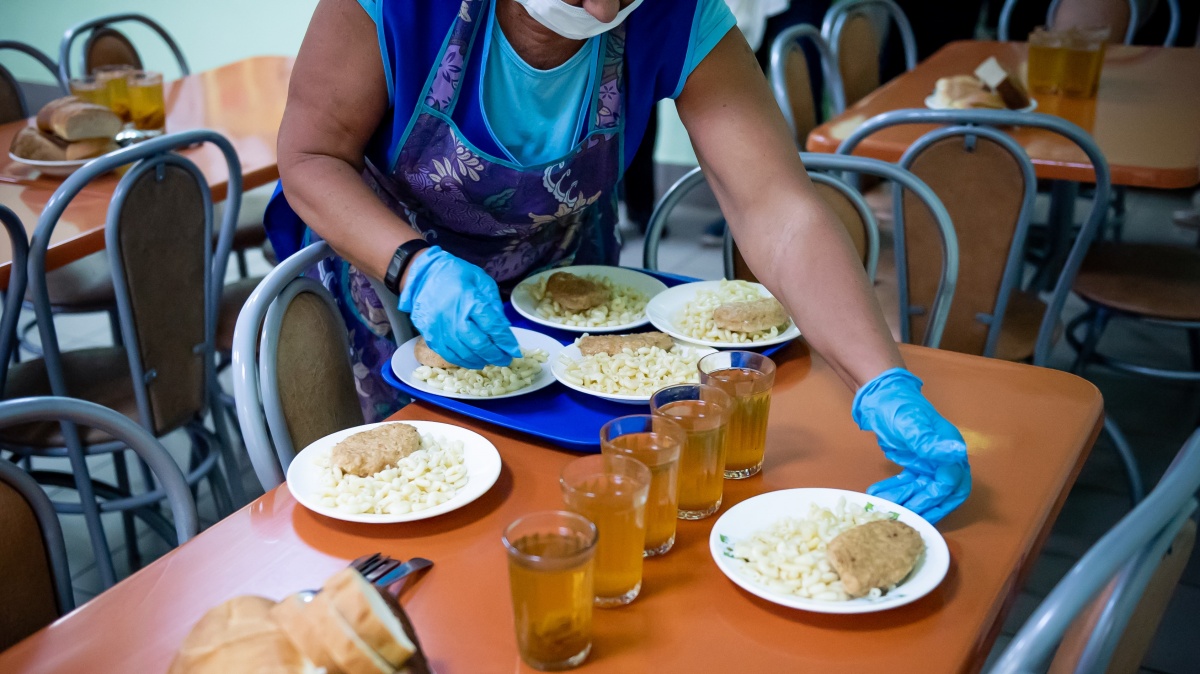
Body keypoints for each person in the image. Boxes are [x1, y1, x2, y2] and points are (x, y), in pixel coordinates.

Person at [267, 0, 970, 523]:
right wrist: (418, 269)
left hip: (573, 310)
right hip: (395, 297)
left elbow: (777, 210)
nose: (603, 8)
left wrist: (882, 381)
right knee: (434, 514)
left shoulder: (679, 14)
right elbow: (310, 156)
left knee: (574, 518)